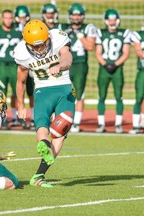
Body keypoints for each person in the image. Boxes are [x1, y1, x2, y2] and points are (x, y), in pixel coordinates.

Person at [14, 20, 75, 187]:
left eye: (43, 45)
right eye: (36, 47)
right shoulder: (21, 52)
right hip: (42, 89)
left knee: (61, 132)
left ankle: (39, 174)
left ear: (48, 37)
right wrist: (20, 104)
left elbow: (68, 58)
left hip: (64, 89)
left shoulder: (57, 38)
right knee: (41, 122)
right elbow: (20, 81)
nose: (40, 49)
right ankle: (43, 144)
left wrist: (60, 65)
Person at [95, 9, 131, 133]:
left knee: (119, 96)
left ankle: (118, 124)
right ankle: (101, 124)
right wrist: (105, 64)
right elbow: (98, 53)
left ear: (118, 20)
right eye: (110, 19)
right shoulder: (100, 32)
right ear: (105, 21)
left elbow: (126, 53)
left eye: (114, 19)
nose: (112, 22)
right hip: (104, 68)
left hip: (117, 69)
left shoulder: (124, 33)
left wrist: (115, 64)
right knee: (101, 96)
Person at [0, 10, 22, 128]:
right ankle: (2, 118)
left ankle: (18, 117)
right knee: (0, 95)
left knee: (18, 93)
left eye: (10, 18)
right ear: (2, 19)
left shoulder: (19, 30)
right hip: (1, 66)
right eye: (6, 18)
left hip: (15, 66)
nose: (8, 20)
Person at [65, 3, 96, 133]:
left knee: (79, 92)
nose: (76, 17)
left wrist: (80, 36)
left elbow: (90, 47)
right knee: (61, 91)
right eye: (74, 14)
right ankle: (59, 119)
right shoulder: (64, 28)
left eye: (78, 14)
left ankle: (76, 122)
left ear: (82, 16)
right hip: (66, 63)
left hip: (80, 64)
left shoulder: (88, 28)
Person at [14, 5, 34, 129]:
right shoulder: (12, 30)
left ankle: (33, 117)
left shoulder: (30, 28)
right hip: (18, 64)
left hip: (30, 64)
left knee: (31, 92)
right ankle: (17, 116)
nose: (22, 19)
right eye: (20, 17)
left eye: (24, 17)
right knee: (16, 89)